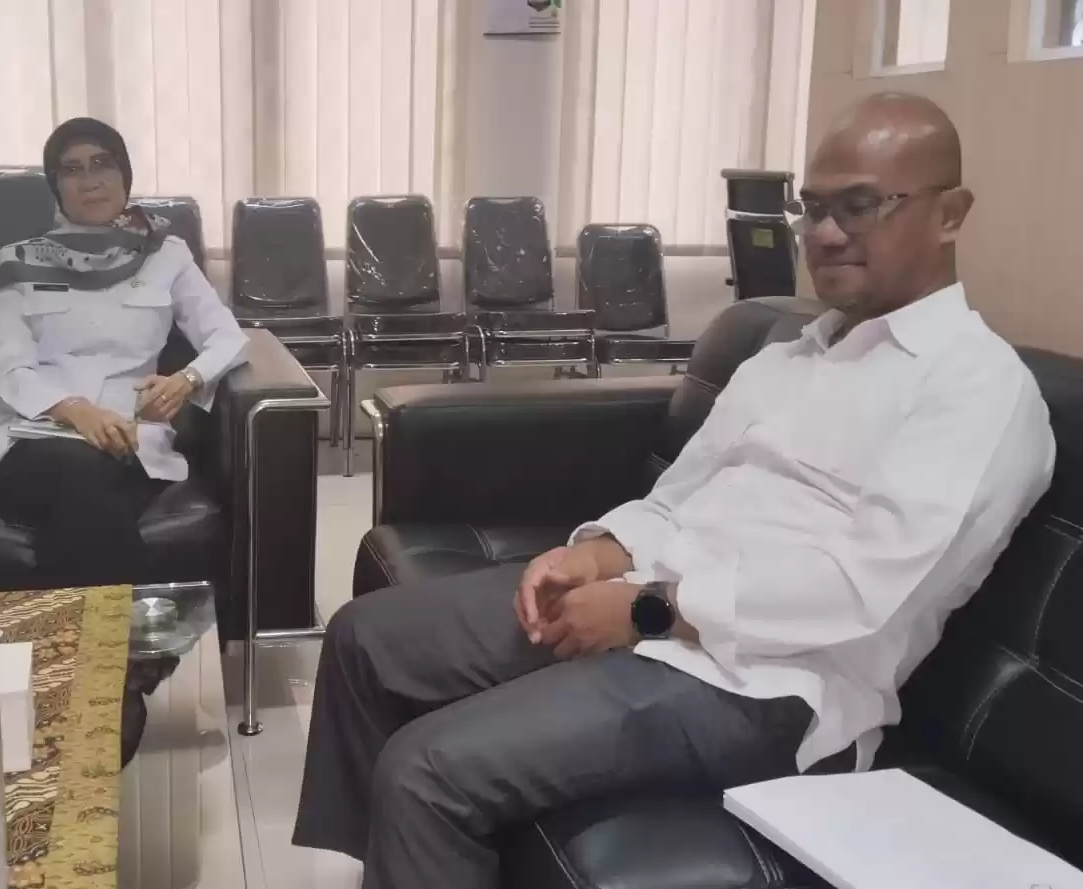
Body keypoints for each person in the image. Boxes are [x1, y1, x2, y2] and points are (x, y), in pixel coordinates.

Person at [292, 92, 1056, 888]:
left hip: (768, 687)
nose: (827, 233)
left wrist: (649, 609)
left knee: (426, 770)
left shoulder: (976, 390)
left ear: (950, 214)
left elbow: (860, 593)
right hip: (651, 602)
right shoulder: (789, 356)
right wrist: (597, 554)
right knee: (363, 640)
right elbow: (677, 497)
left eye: (861, 205)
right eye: (814, 207)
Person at [0, 117, 247, 587]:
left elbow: (226, 336)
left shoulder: (166, 255)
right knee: (82, 475)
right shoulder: (20, 262)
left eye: (103, 163)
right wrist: (77, 411)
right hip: (27, 437)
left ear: (124, 174)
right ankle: (133, 630)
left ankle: (67, 632)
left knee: (90, 487)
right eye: (72, 169)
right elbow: (8, 366)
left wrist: (186, 380)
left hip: (128, 437)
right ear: (56, 186)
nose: (90, 180)